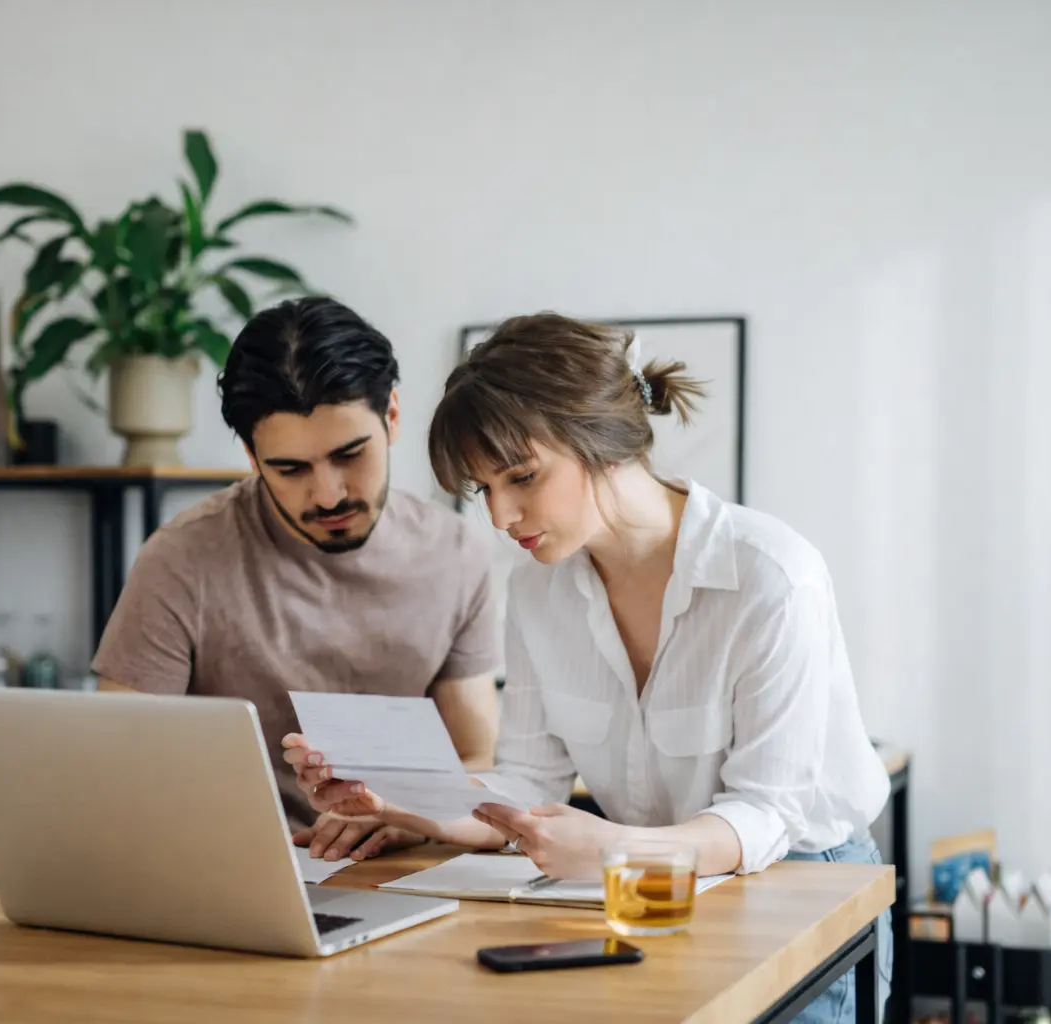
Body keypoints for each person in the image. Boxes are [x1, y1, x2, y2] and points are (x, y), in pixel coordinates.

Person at [283, 312, 892, 1023]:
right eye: (483, 489)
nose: (501, 516)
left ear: (599, 440)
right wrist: (392, 797)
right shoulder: (539, 591)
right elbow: (528, 782)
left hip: (800, 882)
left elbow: (766, 815)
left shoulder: (771, 576)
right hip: (641, 883)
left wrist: (616, 847)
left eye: (522, 477)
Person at [93, 296, 502, 860]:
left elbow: (477, 758)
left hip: (404, 867)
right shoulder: (182, 558)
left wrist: (410, 819)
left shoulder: (454, 554)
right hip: (235, 867)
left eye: (350, 454)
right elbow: (114, 767)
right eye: (290, 469)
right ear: (251, 456)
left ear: (393, 418)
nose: (329, 494)